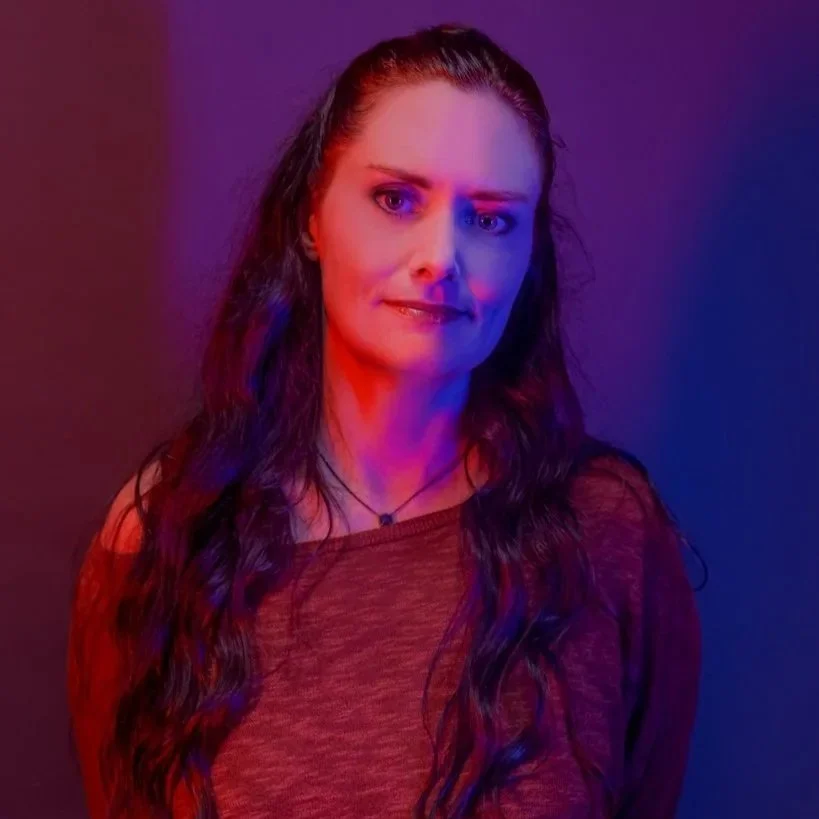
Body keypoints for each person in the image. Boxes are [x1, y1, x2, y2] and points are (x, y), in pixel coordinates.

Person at [66, 22, 706, 819]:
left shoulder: (606, 531)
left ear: (527, 254)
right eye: (395, 199)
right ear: (311, 217)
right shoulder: (166, 534)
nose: (440, 256)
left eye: (490, 218)